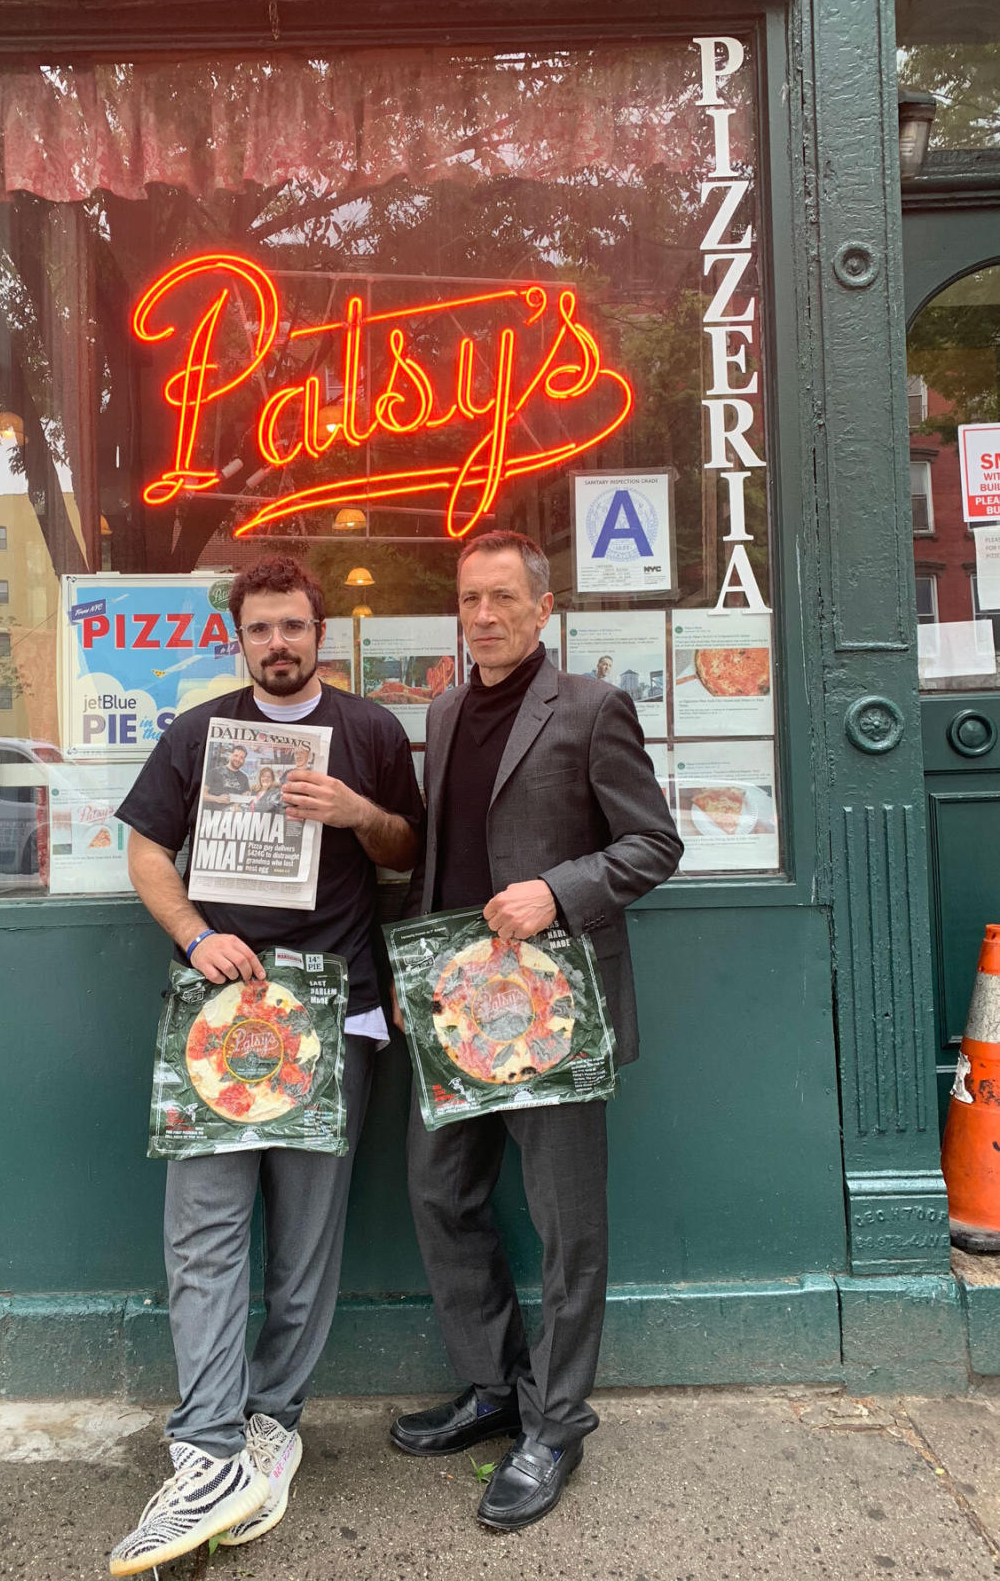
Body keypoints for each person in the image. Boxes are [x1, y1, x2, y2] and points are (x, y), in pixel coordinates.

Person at [109, 555, 424, 1576]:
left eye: (293, 626)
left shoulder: (371, 731)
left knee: (304, 1244)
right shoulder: (197, 732)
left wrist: (357, 814)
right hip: (218, 1016)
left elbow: (408, 855)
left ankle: (271, 1422)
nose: (278, 643)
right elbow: (146, 851)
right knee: (203, 1232)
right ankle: (204, 1447)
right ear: (238, 638)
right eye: (260, 629)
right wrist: (197, 935)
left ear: (320, 633)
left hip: (338, 1015)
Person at [390, 530, 682, 1533]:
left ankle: (556, 1425)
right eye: (470, 598)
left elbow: (654, 844)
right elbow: (438, 862)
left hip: (557, 1013)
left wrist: (558, 894)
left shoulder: (593, 708)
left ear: (543, 608)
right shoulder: (441, 707)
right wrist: (414, 981)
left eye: (504, 597)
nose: (484, 615)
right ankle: (492, 1388)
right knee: (439, 1195)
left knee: (568, 1229)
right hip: (457, 1010)